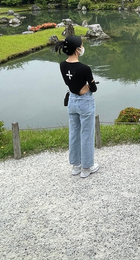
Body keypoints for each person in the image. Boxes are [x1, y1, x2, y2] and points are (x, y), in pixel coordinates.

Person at [55, 35, 100, 178]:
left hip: (72, 102)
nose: (82, 47)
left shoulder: (62, 65)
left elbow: (71, 84)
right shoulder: (85, 68)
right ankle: (87, 167)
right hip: (85, 103)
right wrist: (86, 87)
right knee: (86, 134)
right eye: (81, 45)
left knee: (74, 133)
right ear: (77, 49)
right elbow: (93, 88)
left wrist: (81, 88)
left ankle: (76, 166)